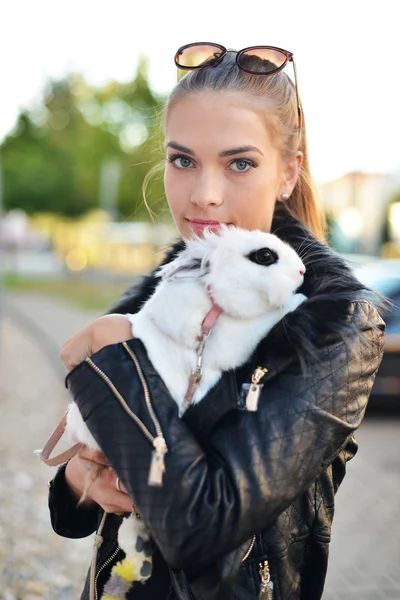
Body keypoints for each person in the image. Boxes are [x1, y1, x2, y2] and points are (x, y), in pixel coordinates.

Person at [48, 44, 386, 600]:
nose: (203, 195)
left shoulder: (332, 322)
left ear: (287, 173)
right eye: (183, 160)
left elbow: (200, 527)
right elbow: (71, 516)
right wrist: (80, 480)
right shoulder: (168, 284)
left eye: (240, 164)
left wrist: (119, 362)